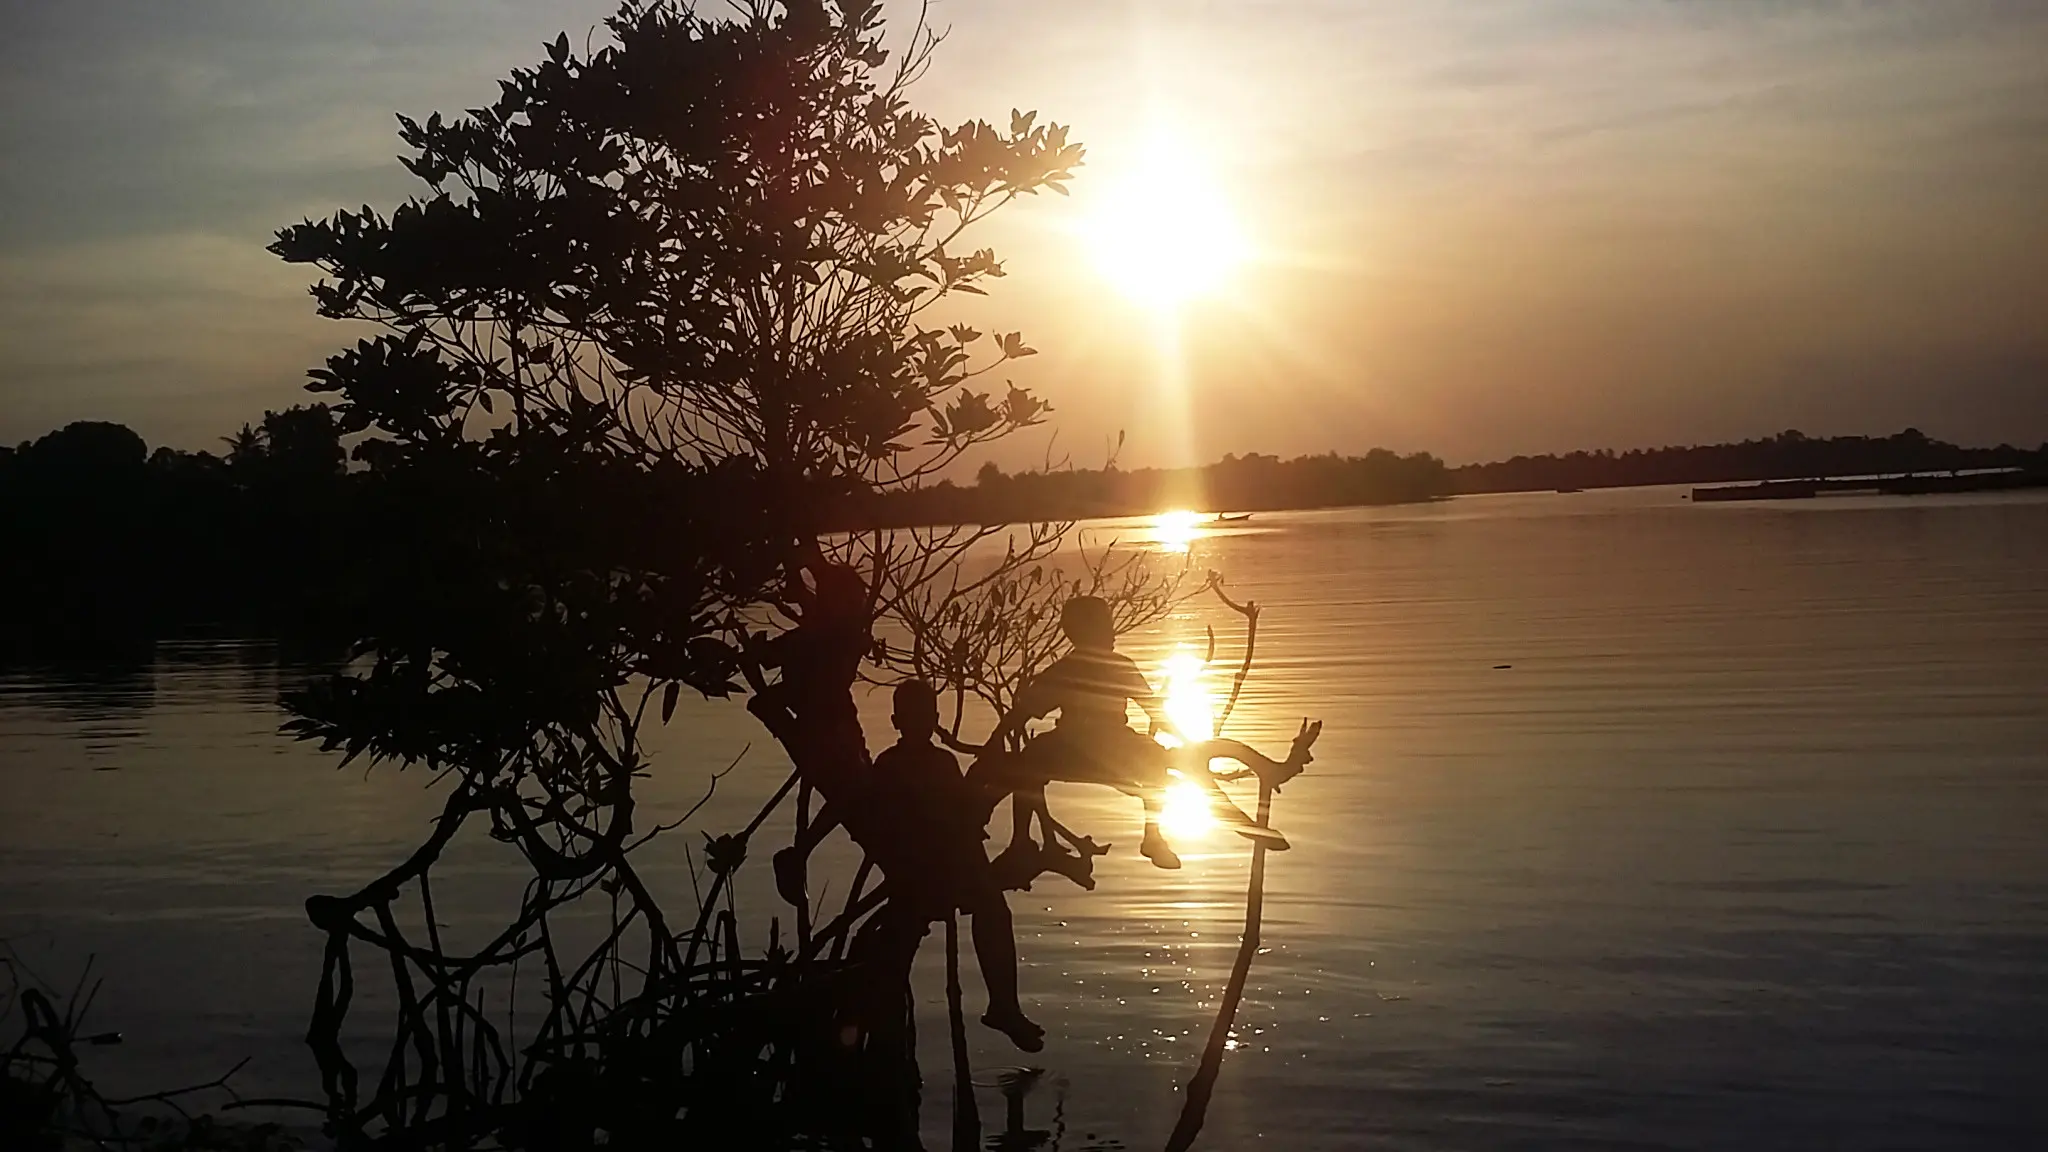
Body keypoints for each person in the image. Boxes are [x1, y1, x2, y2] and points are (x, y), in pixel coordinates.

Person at [980, 596, 1285, 871]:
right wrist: (1187, 742)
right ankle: (1150, 834)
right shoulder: (1089, 668)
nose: (1113, 633)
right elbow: (1157, 713)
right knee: (1033, 763)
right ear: (1092, 631)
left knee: (1031, 761)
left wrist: (994, 742)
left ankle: (1156, 835)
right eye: (1107, 626)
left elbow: (1020, 714)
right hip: (1091, 747)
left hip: (1081, 746)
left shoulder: (1074, 668)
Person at [865, 679, 1044, 1052]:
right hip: (923, 871)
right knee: (988, 900)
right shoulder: (890, 765)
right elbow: (898, 823)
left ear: (936, 718)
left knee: (995, 909)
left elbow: (961, 808)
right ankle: (1003, 1006)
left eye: (928, 715)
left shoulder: (943, 761)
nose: (922, 723)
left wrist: (984, 784)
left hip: (953, 861)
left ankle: (1003, 1004)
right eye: (914, 717)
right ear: (897, 721)